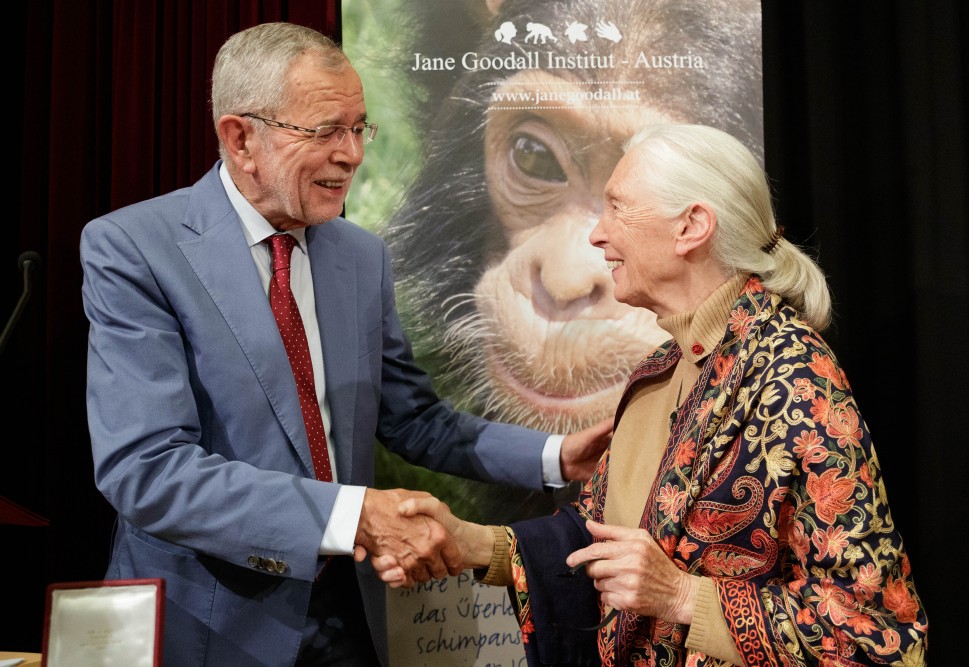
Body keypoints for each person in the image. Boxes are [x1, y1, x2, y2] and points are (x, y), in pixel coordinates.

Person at [79, 22, 611, 667]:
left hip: (351, 620)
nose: (352, 154)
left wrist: (557, 454)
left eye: (360, 129)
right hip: (210, 627)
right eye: (326, 131)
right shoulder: (135, 249)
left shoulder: (360, 255)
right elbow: (148, 470)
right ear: (241, 137)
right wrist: (353, 515)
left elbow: (411, 419)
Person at [379, 122, 929, 666]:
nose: (596, 234)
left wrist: (684, 597)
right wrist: (467, 541)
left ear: (691, 226)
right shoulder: (660, 369)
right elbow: (595, 540)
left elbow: (878, 636)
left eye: (617, 208)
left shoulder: (794, 375)